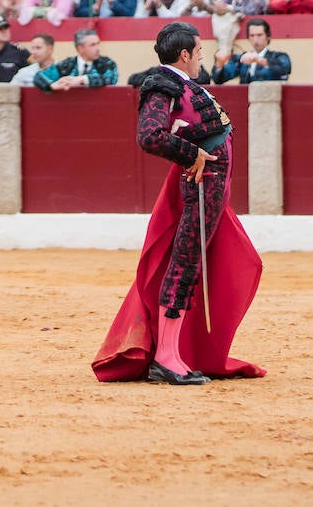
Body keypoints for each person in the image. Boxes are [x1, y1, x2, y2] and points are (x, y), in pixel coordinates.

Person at [93, 20, 264, 386]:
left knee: (192, 261)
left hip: (211, 186)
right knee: (185, 262)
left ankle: (175, 352)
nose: (202, 59)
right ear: (184, 54)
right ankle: (167, 357)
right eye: (199, 52)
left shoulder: (179, 84)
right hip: (202, 185)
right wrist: (193, 155)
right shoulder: (163, 85)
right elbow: (150, 136)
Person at [34, 27, 117, 91]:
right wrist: (51, 85)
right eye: (93, 45)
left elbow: (111, 79)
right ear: (80, 48)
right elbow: (39, 76)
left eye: (98, 44)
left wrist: (81, 79)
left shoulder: (107, 63)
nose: (98, 48)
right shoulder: (67, 65)